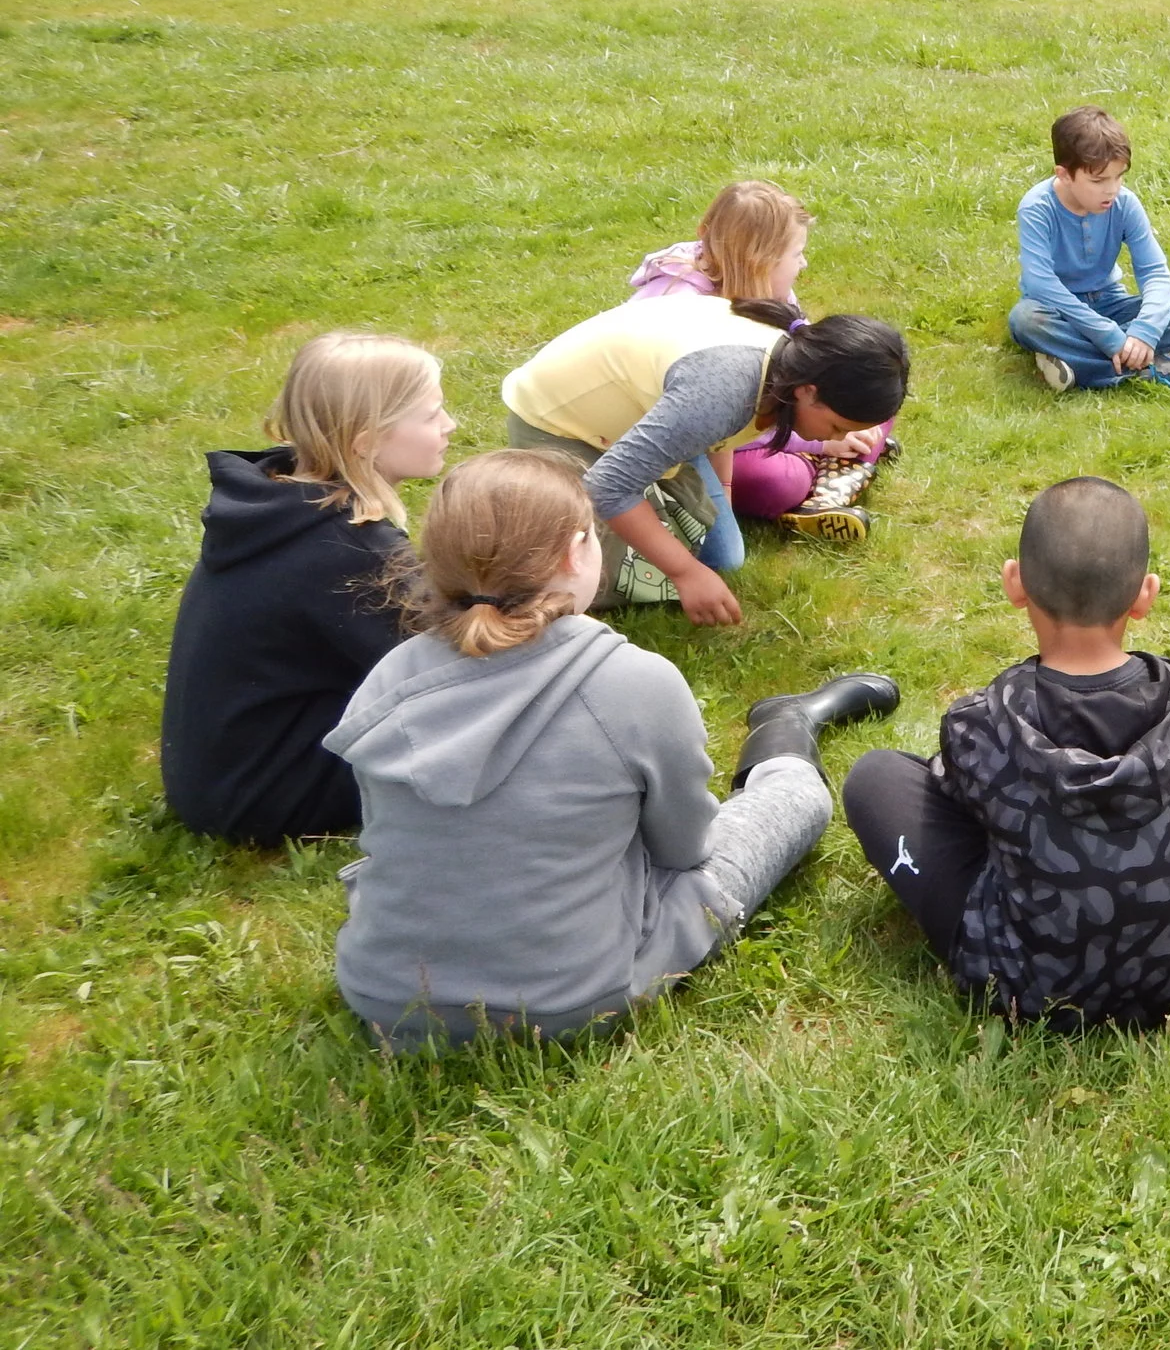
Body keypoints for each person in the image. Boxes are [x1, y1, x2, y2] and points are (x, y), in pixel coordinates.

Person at [324, 448, 900, 1049]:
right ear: (577, 552)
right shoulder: (634, 680)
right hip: (573, 999)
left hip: (385, 998)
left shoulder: (390, 674)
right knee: (794, 799)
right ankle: (787, 728)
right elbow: (686, 851)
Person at [843, 477, 1170, 1030]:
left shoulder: (980, 723)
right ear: (1145, 594)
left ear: (1015, 583)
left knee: (874, 775)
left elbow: (957, 806)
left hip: (1020, 979)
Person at [159, 333, 455, 847]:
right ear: (365, 441)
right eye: (431, 415)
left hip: (220, 776)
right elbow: (448, 672)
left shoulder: (275, 501)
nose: (450, 425)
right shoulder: (350, 549)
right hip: (269, 795)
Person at [502, 297, 908, 624]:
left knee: (722, 555)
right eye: (836, 425)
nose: (835, 438)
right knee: (581, 577)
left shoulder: (787, 362)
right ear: (808, 391)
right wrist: (685, 574)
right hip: (559, 427)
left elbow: (724, 433)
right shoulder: (724, 389)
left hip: (638, 419)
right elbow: (608, 486)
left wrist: (723, 501)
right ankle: (516, 520)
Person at [623, 179, 896, 528]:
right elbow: (713, 428)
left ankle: (840, 451)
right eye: (797, 255)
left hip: (767, 419)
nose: (805, 264)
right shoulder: (683, 307)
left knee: (869, 388)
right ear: (761, 261)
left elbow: (811, 366)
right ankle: (831, 477)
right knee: (776, 482)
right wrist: (818, 445)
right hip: (705, 442)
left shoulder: (771, 289)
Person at [1008, 105, 1170, 392]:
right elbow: (1041, 284)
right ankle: (1150, 369)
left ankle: (1078, 364)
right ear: (1064, 175)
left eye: (1118, 177)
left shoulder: (1125, 203)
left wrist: (1144, 332)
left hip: (1111, 304)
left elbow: (1154, 272)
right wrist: (1110, 338)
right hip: (1057, 309)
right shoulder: (1036, 208)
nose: (1111, 189)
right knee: (1026, 321)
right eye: (1098, 180)